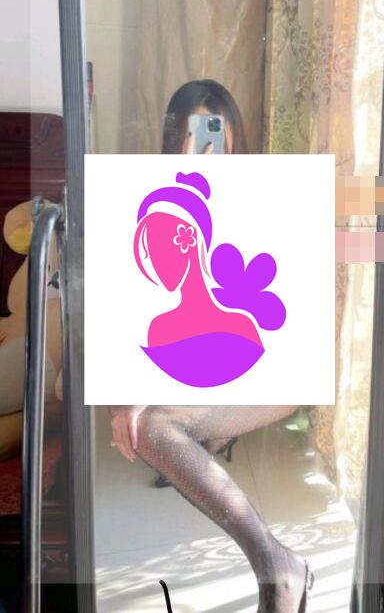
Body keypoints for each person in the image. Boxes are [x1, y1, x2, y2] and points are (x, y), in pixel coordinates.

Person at [109, 80, 314, 612]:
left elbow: (281, 322)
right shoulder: (152, 205)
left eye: (212, 131)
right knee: (141, 418)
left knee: (152, 423)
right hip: (203, 365)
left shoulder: (266, 197)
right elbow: (147, 314)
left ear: (234, 136)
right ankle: (272, 553)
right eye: (188, 132)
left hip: (270, 371)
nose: (201, 145)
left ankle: (275, 563)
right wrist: (130, 392)